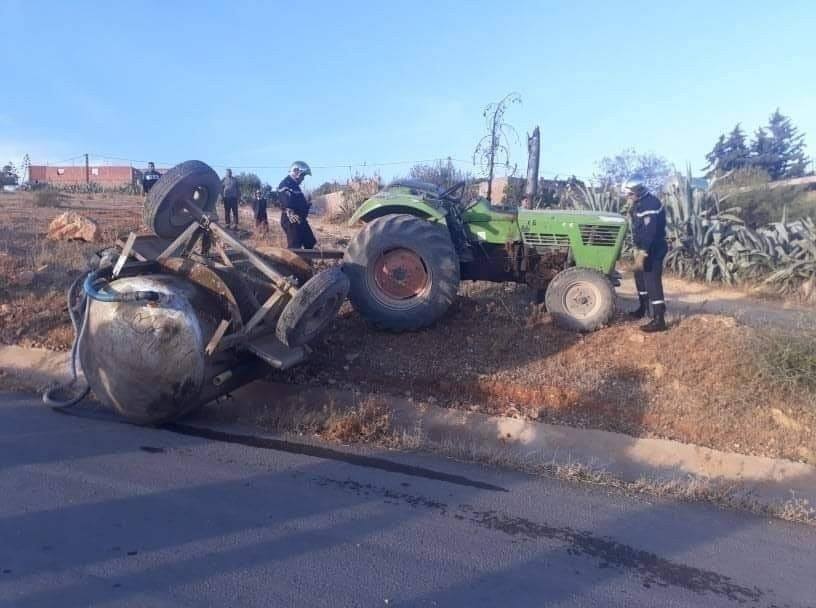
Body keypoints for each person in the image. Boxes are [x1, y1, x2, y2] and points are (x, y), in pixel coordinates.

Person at [622, 175, 668, 332]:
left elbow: (650, 232)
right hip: (641, 247)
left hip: (653, 248)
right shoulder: (638, 203)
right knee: (640, 277)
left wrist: (643, 253)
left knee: (652, 281)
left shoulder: (651, 204)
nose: (628, 197)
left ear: (639, 191)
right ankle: (643, 308)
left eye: (630, 194)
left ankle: (659, 319)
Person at [278, 161, 316, 249]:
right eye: (302, 175)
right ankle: (292, 263)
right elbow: (284, 200)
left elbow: (299, 204)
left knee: (310, 242)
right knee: (295, 247)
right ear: (296, 172)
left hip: (300, 219)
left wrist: (307, 204)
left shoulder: (295, 185)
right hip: (291, 220)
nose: (303, 178)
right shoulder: (286, 183)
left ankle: (307, 261)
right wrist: (289, 211)